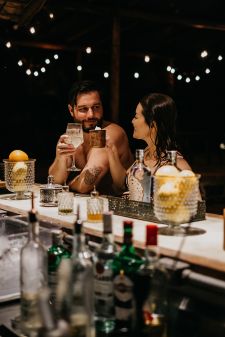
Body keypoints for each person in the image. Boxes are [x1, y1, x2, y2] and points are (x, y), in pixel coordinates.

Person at [49, 80, 133, 195]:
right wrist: (60, 159)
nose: (91, 115)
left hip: (119, 205)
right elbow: (54, 181)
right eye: (83, 109)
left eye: (96, 107)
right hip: (92, 204)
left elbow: (85, 185)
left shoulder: (109, 133)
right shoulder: (74, 133)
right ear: (71, 110)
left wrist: (67, 185)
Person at [106, 92, 192, 194]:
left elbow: (189, 203)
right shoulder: (146, 152)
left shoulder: (176, 165)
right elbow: (121, 185)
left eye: (136, 117)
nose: (132, 121)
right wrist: (111, 150)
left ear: (153, 125)